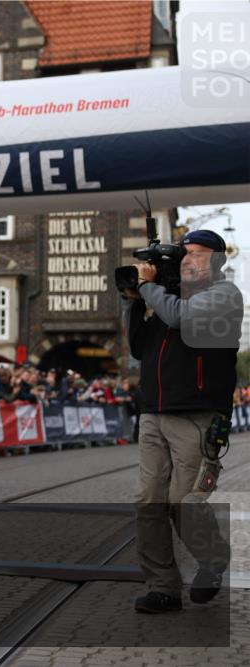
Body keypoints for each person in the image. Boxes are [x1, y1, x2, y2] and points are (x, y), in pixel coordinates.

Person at [125, 228, 241, 613]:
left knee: (184, 501)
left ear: (218, 259)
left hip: (197, 413)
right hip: (154, 412)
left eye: (196, 253)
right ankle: (163, 587)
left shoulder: (223, 295)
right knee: (149, 502)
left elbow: (181, 319)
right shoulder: (166, 297)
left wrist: (148, 290)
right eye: (184, 254)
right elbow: (139, 347)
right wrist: (133, 302)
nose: (188, 259)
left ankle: (211, 560)